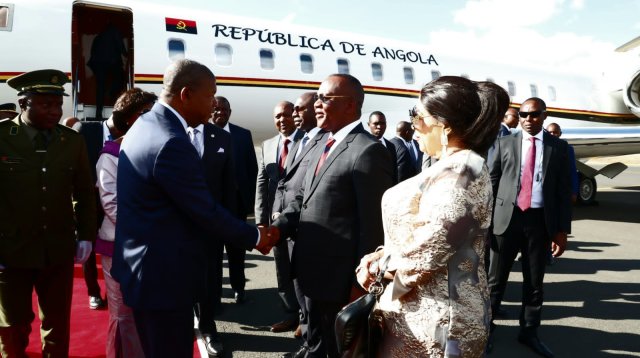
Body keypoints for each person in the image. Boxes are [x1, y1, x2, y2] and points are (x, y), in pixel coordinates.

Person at [111, 59, 277, 358]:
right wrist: (256, 236)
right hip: (163, 279)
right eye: (210, 94)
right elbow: (204, 210)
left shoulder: (146, 124)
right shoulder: (171, 141)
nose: (214, 103)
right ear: (186, 94)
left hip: (144, 270)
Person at [356, 76, 505, 358]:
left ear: (444, 125)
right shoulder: (451, 166)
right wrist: (381, 255)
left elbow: (429, 251)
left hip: (438, 323)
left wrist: (374, 269)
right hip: (420, 310)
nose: (415, 125)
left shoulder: (462, 173)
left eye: (419, 117)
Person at [273, 74, 394, 358]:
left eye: (324, 98)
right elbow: (302, 199)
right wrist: (276, 230)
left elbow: (373, 228)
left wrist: (361, 285)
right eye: (317, 97)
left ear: (350, 105)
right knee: (316, 344)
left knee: (338, 350)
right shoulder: (321, 143)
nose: (316, 104)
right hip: (309, 274)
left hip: (340, 282)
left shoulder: (368, 151)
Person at [0, 69, 97, 357]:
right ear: (22, 103)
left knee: (57, 325)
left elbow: (83, 191)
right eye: (45, 104)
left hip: (57, 249)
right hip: (10, 251)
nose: (55, 111)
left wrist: (86, 235)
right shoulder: (3, 137)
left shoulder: (71, 141)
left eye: (58, 104)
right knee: (12, 327)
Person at [488, 97, 571, 358]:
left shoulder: (558, 148)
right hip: (506, 219)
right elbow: (491, 182)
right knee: (495, 281)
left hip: (539, 222)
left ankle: (529, 331)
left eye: (533, 115)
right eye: (523, 114)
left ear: (544, 116)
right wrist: (485, 223)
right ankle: (485, 330)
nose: (527, 119)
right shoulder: (504, 143)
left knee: (534, 282)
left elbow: (562, 192)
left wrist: (561, 231)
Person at [76, 89, 157, 310]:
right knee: (90, 249)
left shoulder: (140, 140)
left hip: (120, 209)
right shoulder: (87, 131)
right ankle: (93, 291)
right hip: (93, 204)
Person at [95, 88, 156, 358]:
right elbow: (112, 205)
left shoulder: (151, 149)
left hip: (146, 244)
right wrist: (145, 232)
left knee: (142, 308)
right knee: (123, 312)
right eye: (147, 113)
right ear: (131, 118)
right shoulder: (110, 155)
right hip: (119, 244)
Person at [271, 91, 326, 341]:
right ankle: (303, 324)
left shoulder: (324, 143)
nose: (294, 115)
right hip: (288, 222)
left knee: (310, 288)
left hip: (307, 225)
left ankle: (310, 334)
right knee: (293, 280)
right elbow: (283, 184)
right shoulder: (300, 142)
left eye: (298, 110)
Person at [193, 103, 238, 357]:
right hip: (174, 226)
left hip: (211, 227)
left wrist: (228, 226)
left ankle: (209, 328)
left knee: (210, 280)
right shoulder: (171, 132)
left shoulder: (221, 137)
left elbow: (228, 186)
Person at [256, 100, 304, 333]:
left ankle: (305, 319)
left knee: (301, 270)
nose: (281, 120)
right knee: (282, 270)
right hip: (275, 221)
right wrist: (260, 221)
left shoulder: (307, 142)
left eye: (286, 115)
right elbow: (262, 184)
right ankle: (290, 314)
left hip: (299, 218)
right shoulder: (268, 145)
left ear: (294, 116)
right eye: (277, 117)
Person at [211, 95, 258, 304]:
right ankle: (216, 293)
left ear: (230, 112)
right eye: (216, 109)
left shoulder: (242, 135)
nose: (220, 112)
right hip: (211, 208)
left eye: (224, 109)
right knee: (213, 255)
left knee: (236, 252)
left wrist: (249, 205)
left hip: (236, 207)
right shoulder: (202, 133)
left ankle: (239, 287)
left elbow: (252, 170)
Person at [546, 122, 579, 203]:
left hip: (561, 189)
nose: (552, 134)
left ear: (560, 134)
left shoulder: (567, 149)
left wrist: (574, 191)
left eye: (555, 132)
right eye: (550, 132)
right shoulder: (541, 147)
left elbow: (572, 170)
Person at [368, 111, 398, 184]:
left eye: (382, 123)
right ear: (369, 125)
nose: (379, 127)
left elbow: (394, 172)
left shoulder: (391, 146)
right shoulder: (363, 145)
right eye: (376, 123)